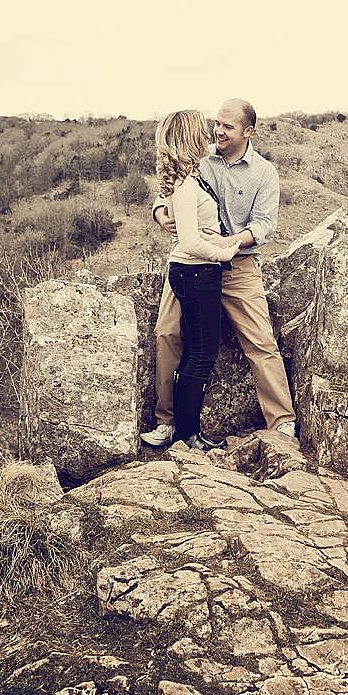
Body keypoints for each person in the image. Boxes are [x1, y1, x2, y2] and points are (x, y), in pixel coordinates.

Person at [142, 98, 297, 447]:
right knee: (167, 333)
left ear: (248, 131)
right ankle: (166, 421)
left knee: (260, 340)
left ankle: (282, 421)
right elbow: (164, 194)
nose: (218, 131)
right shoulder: (199, 158)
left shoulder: (264, 172)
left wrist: (228, 243)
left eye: (227, 126)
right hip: (192, 264)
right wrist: (161, 215)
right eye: (216, 124)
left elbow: (264, 226)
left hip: (238, 264)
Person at [154, 109, 240, 450]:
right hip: (195, 271)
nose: (210, 134)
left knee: (199, 352)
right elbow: (189, 241)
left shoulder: (192, 178)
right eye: (203, 130)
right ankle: (188, 435)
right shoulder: (187, 186)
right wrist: (227, 251)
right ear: (190, 137)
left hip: (196, 271)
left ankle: (188, 432)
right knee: (200, 354)